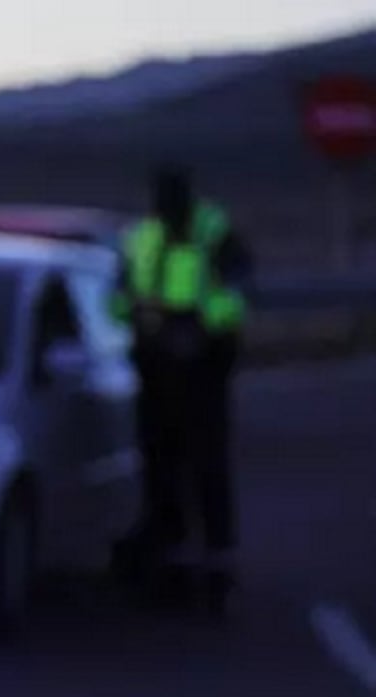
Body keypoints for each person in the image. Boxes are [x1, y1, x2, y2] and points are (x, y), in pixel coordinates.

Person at [110, 164, 251, 612]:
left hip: (204, 369)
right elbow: (118, 297)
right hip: (155, 369)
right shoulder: (141, 238)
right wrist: (145, 324)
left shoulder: (215, 232)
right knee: (161, 469)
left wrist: (200, 329)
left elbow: (237, 292)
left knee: (207, 469)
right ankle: (169, 567)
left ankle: (216, 572)